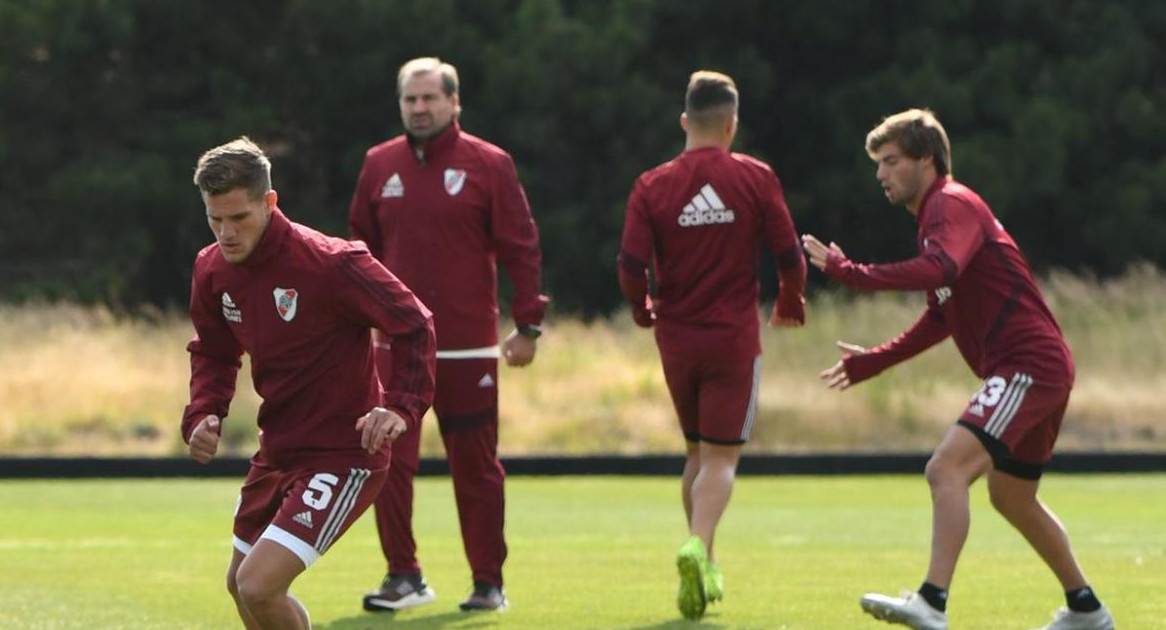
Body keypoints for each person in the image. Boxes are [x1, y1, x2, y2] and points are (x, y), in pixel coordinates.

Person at [801, 109, 1115, 630]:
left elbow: (939, 270)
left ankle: (932, 601)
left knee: (945, 469)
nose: (881, 173)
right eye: (878, 163)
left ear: (927, 159)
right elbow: (941, 314)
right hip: (1038, 367)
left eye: (891, 160)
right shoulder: (938, 217)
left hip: (1027, 365)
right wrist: (874, 361)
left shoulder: (949, 203)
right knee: (1011, 495)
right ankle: (1087, 609)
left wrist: (850, 274)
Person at [182, 137, 436, 630]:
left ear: (269, 202)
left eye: (239, 218)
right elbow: (213, 351)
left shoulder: (330, 262)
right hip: (277, 452)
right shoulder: (211, 268)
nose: (226, 233)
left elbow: (415, 322)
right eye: (215, 219)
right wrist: (204, 412)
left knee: (259, 584)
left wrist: (401, 407)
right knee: (242, 589)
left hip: (342, 455)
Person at [348, 56, 549, 613]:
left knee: (477, 469)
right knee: (384, 461)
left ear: (454, 102)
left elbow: (521, 247)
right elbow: (356, 254)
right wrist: (355, 328)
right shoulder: (377, 164)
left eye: (430, 98)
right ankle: (403, 576)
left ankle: (489, 582)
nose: (419, 108)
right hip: (394, 348)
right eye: (410, 99)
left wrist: (528, 323)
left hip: (466, 347)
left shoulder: (489, 164)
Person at [617, 70, 806, 620]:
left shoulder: (651, 185)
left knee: (697, 453)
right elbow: (788, 254)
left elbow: (630, 266)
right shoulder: (755, 176)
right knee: (722, 459)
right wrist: (791, 299)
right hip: (732, 339)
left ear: (685, 122)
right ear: (731, 124)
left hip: (676, 340)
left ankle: (706, 563)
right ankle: (699, 545)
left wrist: (639, 307)